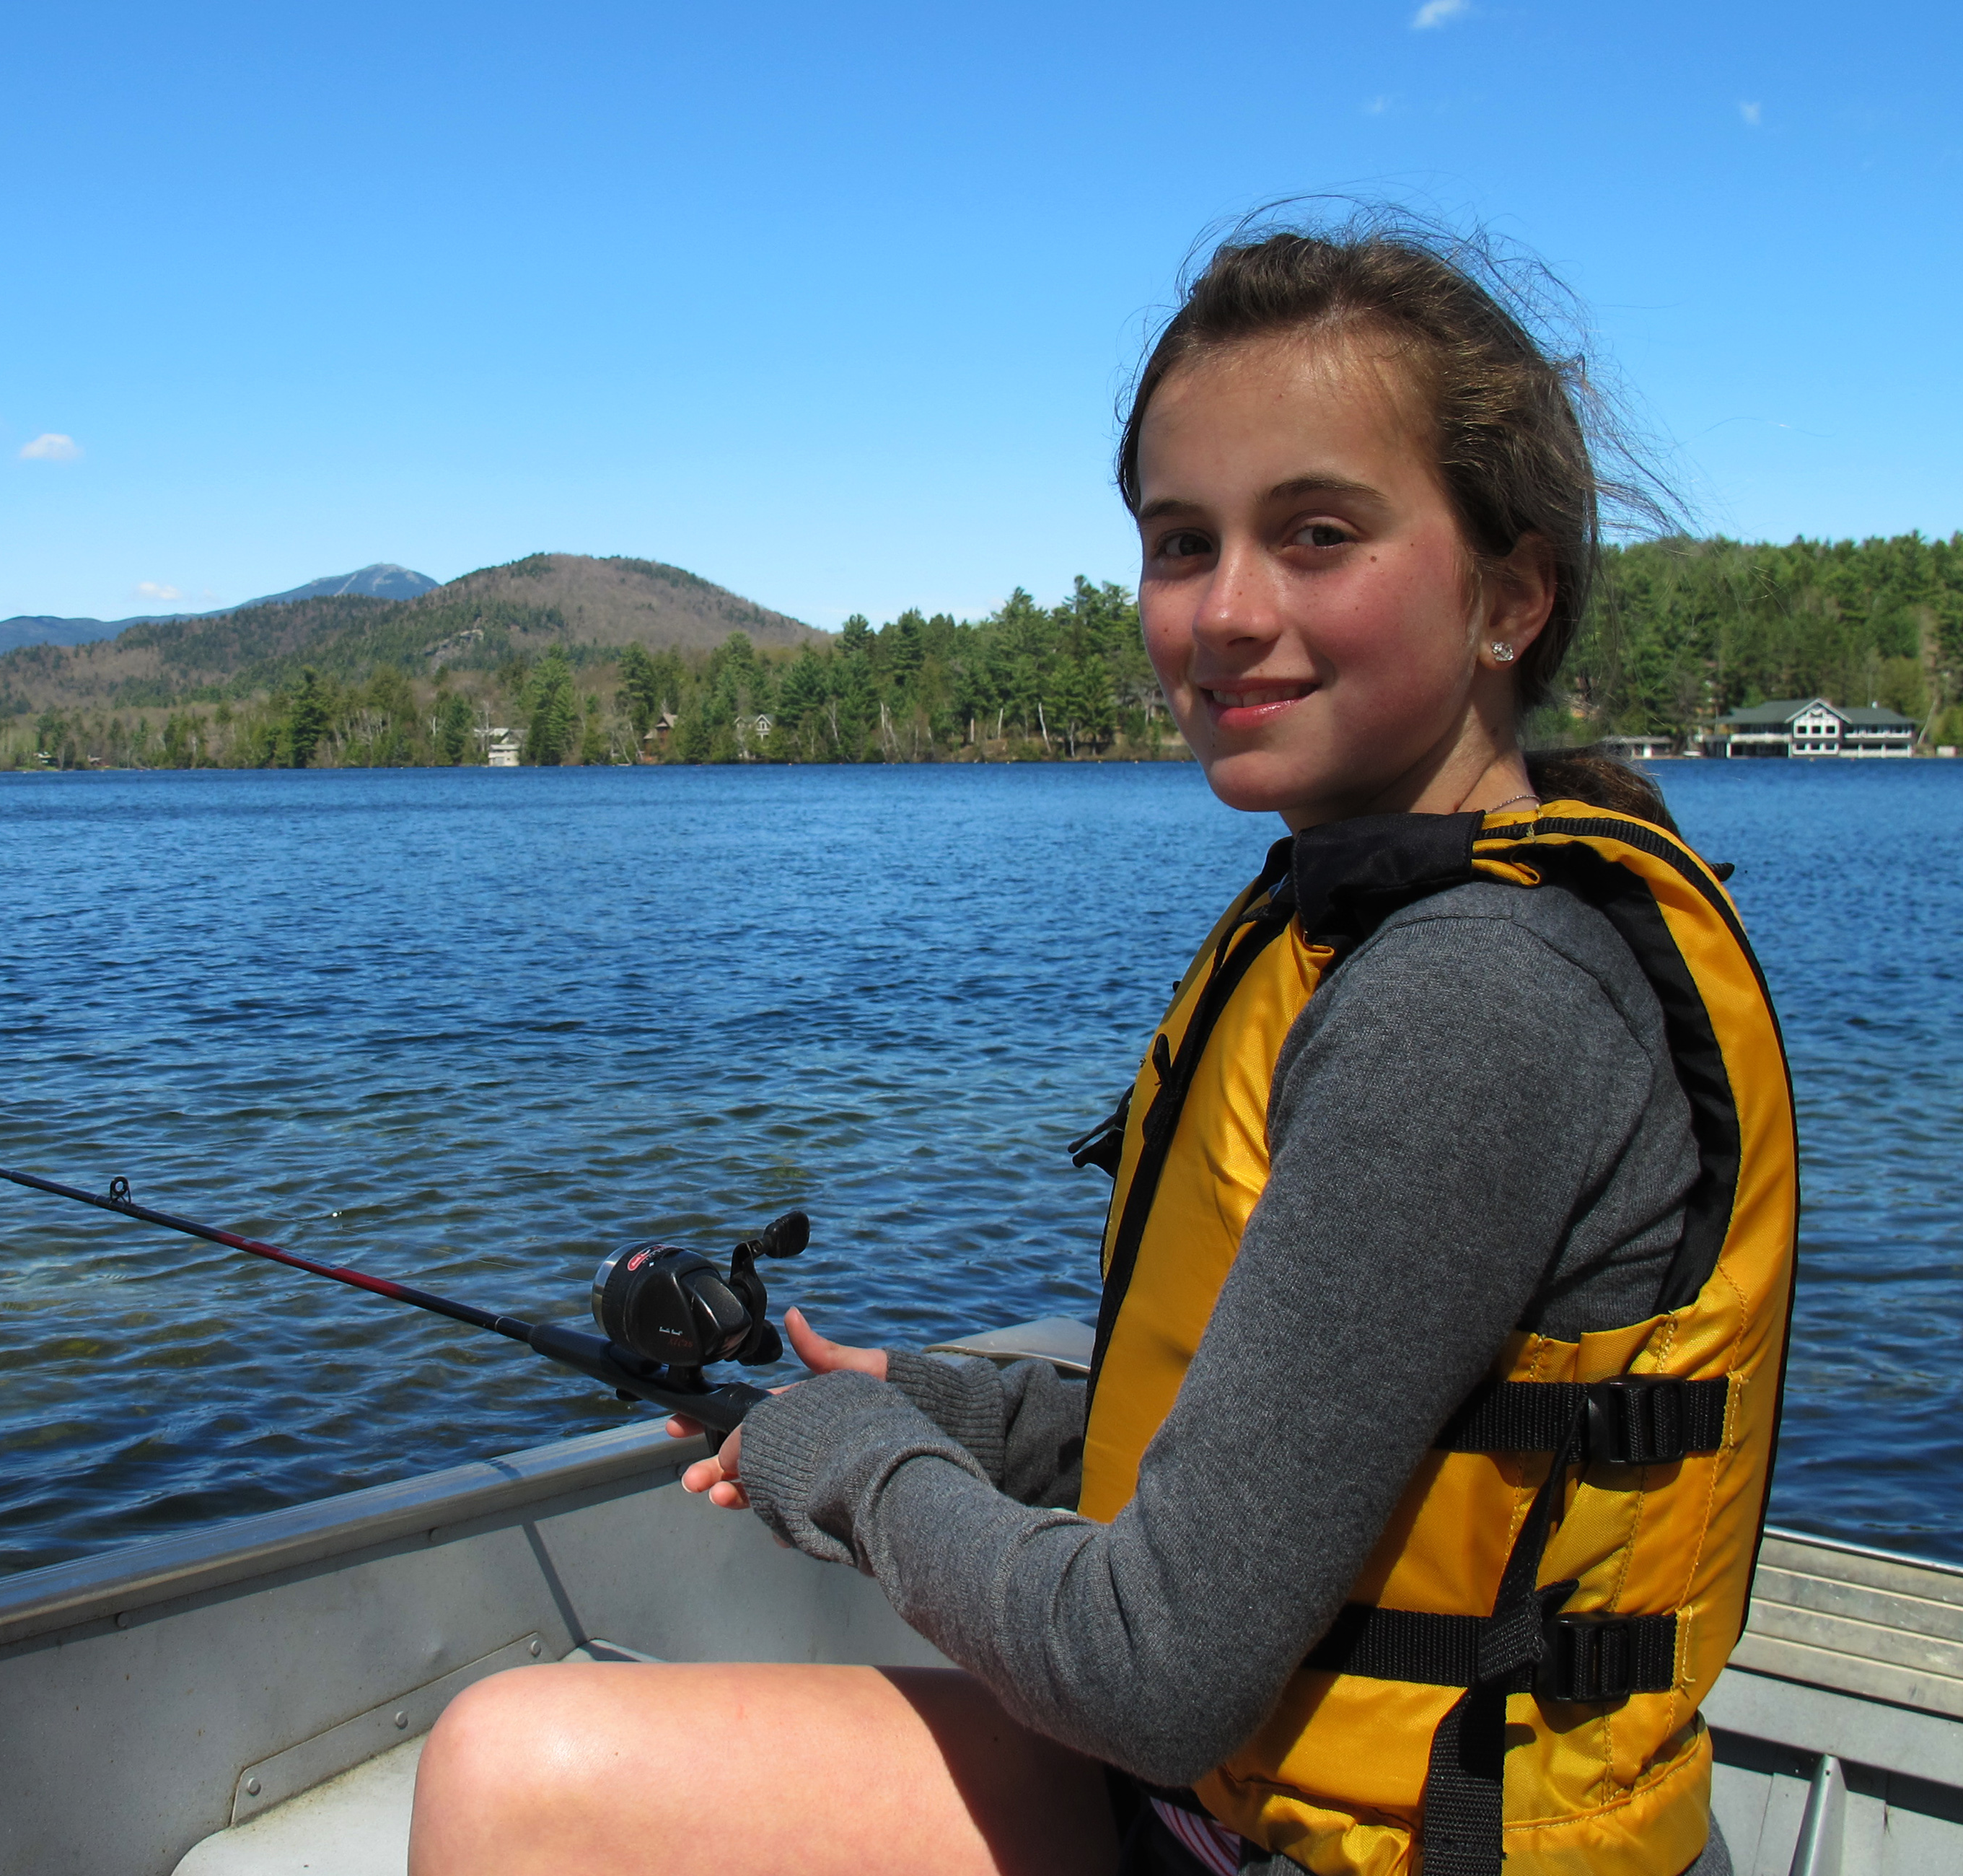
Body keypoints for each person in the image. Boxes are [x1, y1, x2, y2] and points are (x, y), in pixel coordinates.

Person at [409, 213, 1794, 1876]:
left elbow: (1150, 1673)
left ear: (1508, 593)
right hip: (1261, 1801)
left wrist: (852, 1464)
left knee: (510, 1769)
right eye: (1180, 542)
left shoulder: (1472, 995)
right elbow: (1304, 1442)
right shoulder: (1374, 923)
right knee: (527, 1763)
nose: (1224, 611)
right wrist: (939, 1408)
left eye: (1317, 532)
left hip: (1390, 1845)